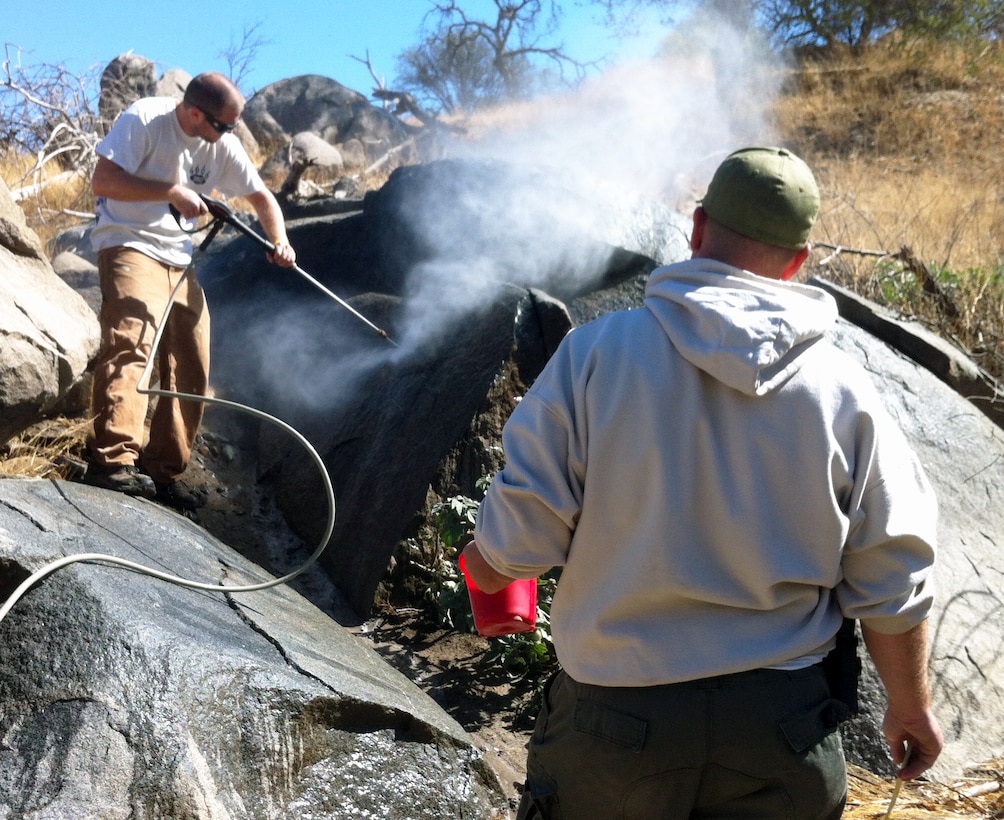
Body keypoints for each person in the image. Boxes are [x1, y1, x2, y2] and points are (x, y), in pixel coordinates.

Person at [461, 146, 943, 819]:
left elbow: (521, 538)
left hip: (615, 728)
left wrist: (484, 568)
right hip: (783, 731)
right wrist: (911, 706)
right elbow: (892, 569)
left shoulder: (596, 355)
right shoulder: (845, 389)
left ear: (696, 227)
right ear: (798, 263)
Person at [87, 72, 296, 509]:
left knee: (193, 359)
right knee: (132, 342)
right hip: (128, 241)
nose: (228, 135)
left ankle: (163, 470)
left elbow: (260, 197)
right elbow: (102, 180)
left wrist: (280, 240)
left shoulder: (223, 144)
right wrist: (170, 191)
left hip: (179, 259)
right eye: (223, 125)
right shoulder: (145, 120)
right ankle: (112, 463)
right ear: (195, 113)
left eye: (233, 128)